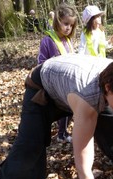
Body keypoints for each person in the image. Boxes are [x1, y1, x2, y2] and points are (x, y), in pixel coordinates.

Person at [38, 3, 78, 143]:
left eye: (71, 25)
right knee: (57, 110)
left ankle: (63, 132)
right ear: (57, 21)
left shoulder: (68, 40)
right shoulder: (47, 41)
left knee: (70, 109)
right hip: (53, 83)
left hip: (67, 82)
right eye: (66, 23)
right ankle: (57, 134)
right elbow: (41, 62)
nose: (68, 28)